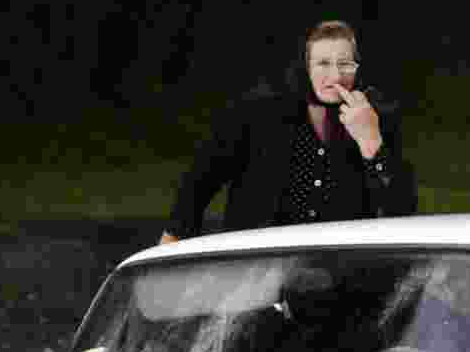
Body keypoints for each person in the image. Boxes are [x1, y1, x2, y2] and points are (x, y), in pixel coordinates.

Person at [161, 20, 417, 243]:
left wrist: (371, 143)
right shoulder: (258, 114)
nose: (336, 75)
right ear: (306, 67)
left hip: (341, 274)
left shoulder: (375, 117)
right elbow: (202, 177)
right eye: (323, 64)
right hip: (260, 271)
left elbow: (401, 213)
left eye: (345, 64)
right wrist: (176, 233)